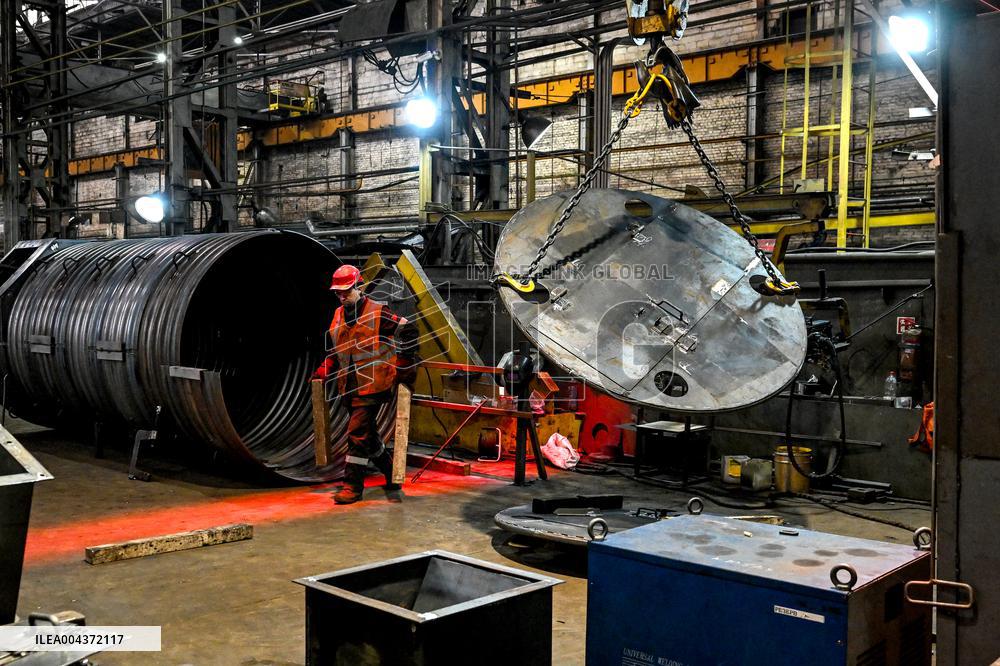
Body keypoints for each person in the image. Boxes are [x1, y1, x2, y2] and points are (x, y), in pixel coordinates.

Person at [314, 264, 418, 504]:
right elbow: (336, 346)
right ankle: (391, 471)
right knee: (367, 434)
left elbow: (409, 330)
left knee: (357, 433)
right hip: (348, 386)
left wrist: (404, 361)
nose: (341, 296)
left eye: (346, 291)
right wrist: (325, 367)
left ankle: (352, 486)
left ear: (358, 287)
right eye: (337, 292)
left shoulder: (378, 312)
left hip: (374, 386)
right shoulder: (339, 314)